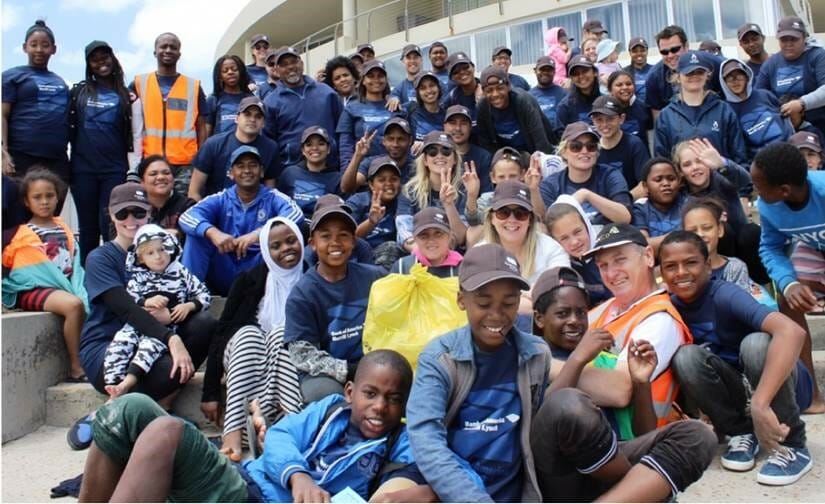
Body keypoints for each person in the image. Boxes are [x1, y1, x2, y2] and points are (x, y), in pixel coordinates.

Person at [78, 351, 434, 502]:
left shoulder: (399, 442)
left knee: (167, 431)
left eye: (393, 399)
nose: (380, 407)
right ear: (350, 392)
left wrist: (429, 493)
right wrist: (299, 476)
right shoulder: (330, 409)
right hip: (242, 480)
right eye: (370, 394)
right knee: (130, 408)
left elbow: (431, 478)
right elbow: (280, 436)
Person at [530, 266, 716, 501]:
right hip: (561, 474)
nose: (575, 321)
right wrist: (577, 359)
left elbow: (643, 434)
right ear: (539, 318)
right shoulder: (531, 356)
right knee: (569, 404)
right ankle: (642, 488)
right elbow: (546, 417)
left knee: (699, 435)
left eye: (581, 313)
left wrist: (641, 382)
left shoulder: (604, 358)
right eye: (563, 313)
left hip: (612, 465)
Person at [660, 231, 814, 485]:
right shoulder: (669, 306)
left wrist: (760, 403)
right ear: (661, 273)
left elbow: (792, 332)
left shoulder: (725, 294)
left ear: (708, 266)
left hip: (780, 380)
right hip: (739, 388)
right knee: (685, 357)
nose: (681, 272)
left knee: (755, 343)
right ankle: (741, 432)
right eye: (670, 266)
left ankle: (793, 444)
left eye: (690, 262)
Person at [406, 243, 552, 502]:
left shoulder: (536, 355)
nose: (496, 315)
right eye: (484, 303)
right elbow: (426, 438)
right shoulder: (440, 359)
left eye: (509, 303)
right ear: (461, 300)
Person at [79, 182, 215, 408]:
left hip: (152, 341)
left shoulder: (163, 255)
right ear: (111, 216)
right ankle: (122, 410)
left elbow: (191, 294)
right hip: (109, 345)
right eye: (123, 213)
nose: (131, 220)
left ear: (150, 214)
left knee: (205, 323)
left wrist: (173, 316)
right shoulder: (100, 258)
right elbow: (127, 309)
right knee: (159, 363)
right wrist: (172, 338)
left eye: (139, 212)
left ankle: (163, 404)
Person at [206, 216, 305, 461]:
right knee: (249, 334)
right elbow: (222, 333)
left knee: (283, 335)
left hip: (288, 360)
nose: (286, 249)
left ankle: (267, 416)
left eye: (291, 241)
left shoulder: (313, 277)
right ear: (265, 250)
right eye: (276, 246)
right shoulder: (248, 280)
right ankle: (234, 434)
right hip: (245, 355)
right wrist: (210, 392)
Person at [585, 223, 693, 425]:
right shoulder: (613, 304)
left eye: (620, 260)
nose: (611, 274)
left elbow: (619, 390)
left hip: (636, 440)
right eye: (603, 265)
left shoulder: (660, 320)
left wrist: (544, 367)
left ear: (649, 257)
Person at [284, 195, 385, 403]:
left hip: (374, 365)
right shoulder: (303, 294)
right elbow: (302, 354)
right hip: (329, 374)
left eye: (343, 235)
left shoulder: (376, 277)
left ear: (354, 241)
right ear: (312, 243)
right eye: (326, 236)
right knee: (325, 396)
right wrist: (349, 370)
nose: (335, 243)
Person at [752, 142, 825, 412]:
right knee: (787, 297)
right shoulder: (769, 206)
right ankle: (812, 396)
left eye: (759, 186)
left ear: (784, 190)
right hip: (815, 248)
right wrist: (790, 282)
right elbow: (770, 247)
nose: (756, 193)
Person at [102, 224, 210, 399]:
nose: (158, 257)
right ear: (141, 258)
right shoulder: (138, 277)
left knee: (149, 348)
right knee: (119, 343)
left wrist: (188, 306)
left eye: (162, 249)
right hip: (136, 326)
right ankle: (113, 386)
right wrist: (146, 301)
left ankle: (127, 383)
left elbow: (204, 294)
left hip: (163, 331)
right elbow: (130, 300)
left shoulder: (181, 273)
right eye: (150, 253)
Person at [180, 145, 303, 296]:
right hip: (224, 267)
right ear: (230, 173)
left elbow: (296, 214)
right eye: (240, 166)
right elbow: (187, 216)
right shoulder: (221, 198)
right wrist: (213, 233)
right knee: (197, 236)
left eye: (253, 165)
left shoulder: (273, 197)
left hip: (260, 270)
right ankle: (190, 296)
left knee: (290, 236)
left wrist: (259, 234)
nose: (247, 170)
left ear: (262, 172)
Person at [2, 169, 88, 382]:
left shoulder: (64, 228)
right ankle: (76, 367)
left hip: (65, 286)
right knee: (74, 305)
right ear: (26, 201)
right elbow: (21, 271)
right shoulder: (19, 235)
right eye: (37, 197)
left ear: (58, 197)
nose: (44, 202)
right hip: (31, 290)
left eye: (49, 196)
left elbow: (75, 264)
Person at [69, 40, 134, 264]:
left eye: (104, 56)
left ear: (112, 58)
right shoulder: (79, 92)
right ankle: (87, 281)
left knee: (111, 226)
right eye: (94, 58)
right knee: (88, 229)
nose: (100, 62)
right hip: (82, 170)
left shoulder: (126, 95)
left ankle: (114, 276)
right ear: (89, 64)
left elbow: (134, 134)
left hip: (114, 171)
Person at [477, 180, 569, 327]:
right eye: (503, 213)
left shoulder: (551, 249)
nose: (512, 219)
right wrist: (535, 298)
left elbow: (563, 296)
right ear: (491, 219)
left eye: (520, 213)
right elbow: (478, 303)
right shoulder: (479, 253)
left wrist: (504, 302)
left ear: (530, 220)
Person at [131, 32, 208, 195]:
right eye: (163, 46)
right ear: (155, 52)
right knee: (150, 212)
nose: (168, 50)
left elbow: (201, 126)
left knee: (183, 211)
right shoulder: (138, 84)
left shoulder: (193, 86)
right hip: (150, 162)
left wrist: (200, 158)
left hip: (185, 165)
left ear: (179, 54)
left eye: (173, 47)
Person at [2, 20, 70, 182]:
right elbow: (2, 115)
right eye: (34, 45)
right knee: (18, 206)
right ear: (25, 47)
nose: (39, 50)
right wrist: (2, 152)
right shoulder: (11, 77)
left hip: (56, 159)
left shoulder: (61, 83)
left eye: (45, 45)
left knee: (51, 206)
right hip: (20, 157)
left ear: (54, 49)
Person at [655, 51, 747, 164]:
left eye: (699, 72)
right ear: (678, 77)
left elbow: (739, 156)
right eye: (689, 73)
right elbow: (662, 161)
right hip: (683, 180)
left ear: (707, 75)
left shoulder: (723, 110)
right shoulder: (666, 116)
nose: (694, 76)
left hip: (721, 178)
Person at [263, 46, 342, 169]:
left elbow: (343, 130)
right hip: (291, 172)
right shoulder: (270, 102)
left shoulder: (327, 92)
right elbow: (268, 142)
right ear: (277, 70)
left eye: (294, 62)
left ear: (302, 63)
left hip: (330, 168)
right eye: (284, 64)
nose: (290, 67)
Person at [538, 121, 632, 225]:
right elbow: (548, 225)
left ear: (597, 152)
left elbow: (625, 217)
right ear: (563, 152)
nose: (584, 151)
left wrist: (586, 195)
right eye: (576, 147)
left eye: (591, 146)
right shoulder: (550, 184)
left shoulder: (610, 175)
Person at [189, 96, 279, 201]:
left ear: (263, 123)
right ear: (236, 118)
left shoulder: (271, 148)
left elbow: (270, 193)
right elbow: (194, 192)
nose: (252, 119)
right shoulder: (213, 145)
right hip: (216, 210)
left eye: (258, 116)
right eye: (247, 114)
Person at [396, 131, 467, 248]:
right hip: (417, 250)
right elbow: (404, 231)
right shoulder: (409, 190)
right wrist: (426, 252)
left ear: (454, 159)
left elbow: (460, 238)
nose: (439, 156)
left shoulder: (463, 190)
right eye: (432, 152)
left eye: (446, 151)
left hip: (451, 252)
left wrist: (449, 204)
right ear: (425, 160)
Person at [756, 16, 825, 135]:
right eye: (784, 40)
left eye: (794, 39)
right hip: (785, 129)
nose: (789, 44)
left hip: (820, 126)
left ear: (804, 38)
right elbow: (758, 99)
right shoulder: (770, 64)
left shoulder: (818, 56)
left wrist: (801, 103)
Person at [719, 58, 793, 163]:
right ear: (724, 82)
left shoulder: (765, 95)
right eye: (730, 78)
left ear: (747, 77)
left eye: (739, 76)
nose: (735, 81)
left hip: (789, 150)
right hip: (763, 161)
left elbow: (785, 119)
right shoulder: (727, 110)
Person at [646, 25, 722, 120]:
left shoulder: (712, 63)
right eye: (664, 52)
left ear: (686, 46)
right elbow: (658, 118)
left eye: (675, 50)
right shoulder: (654, 77)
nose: (670, 55)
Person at [336, 59, 402, 171]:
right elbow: (345, 146)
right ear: (363, 80)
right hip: (361, 171)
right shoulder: (351, 108)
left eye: (380, 76)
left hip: (392, 171)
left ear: (386, 80)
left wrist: (395, 97)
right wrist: (347, 173)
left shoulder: (395, 106)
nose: (376, 79)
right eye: (371, 76)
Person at [544, 195, 610, 306]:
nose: (574, 242)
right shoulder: (560, 268)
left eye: (577, 232)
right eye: (564, 238)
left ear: (586, 225)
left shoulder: (608, 249)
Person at [476, 66, 554, 155]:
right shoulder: (482, 107)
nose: (495, 94)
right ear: (483, 91)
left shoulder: (523, 101)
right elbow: (485, 143)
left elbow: (541, 141)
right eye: (489, 90)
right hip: (506, 157)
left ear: (508, 86)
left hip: (532, 152)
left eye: (500, 88)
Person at [682, 197, 752, 293]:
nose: (700, 234)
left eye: (707, 228)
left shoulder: (735, 268)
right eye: (692, 231)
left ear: (720, 230)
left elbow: (743, 305)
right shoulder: (680, 271)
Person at [589, 95, 649, 198]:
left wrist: (621, 202)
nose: (604, 125)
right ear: (593, 121)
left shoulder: (634, 144)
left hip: (631, 203)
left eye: (610, 119)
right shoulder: (591, 148)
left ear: (621, 119)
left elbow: (644, 184)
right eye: (599, 120)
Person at [278, 125, 343, 219]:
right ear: (303, 150)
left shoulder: (337, 178)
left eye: (321, 144)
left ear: (328, 149)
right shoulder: (289, 173)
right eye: (309, 145)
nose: (315, 148)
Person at [341, 116, 414, 192]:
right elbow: (346, 188)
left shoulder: (416, 165)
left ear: (410, 141)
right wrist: (358, 155)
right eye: (390, 139)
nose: (395, 144)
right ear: (383, 141)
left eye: (401, 139)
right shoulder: (372, 163)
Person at [631, 157, 686, 253]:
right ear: (645, 186)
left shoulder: (690, 204)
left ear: (679, 182)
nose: (666, 183)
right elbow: (643, 246)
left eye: (671, 179)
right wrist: (682, 236)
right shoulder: (639, 210)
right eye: (658, 179)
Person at [347, 156, 402, 249]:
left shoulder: (402, 203)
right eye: (381, 180)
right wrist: (370, 222)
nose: (388, 184)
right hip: (358, 253)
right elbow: (346, 238)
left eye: (394, 179)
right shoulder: (358, 201)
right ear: (371, 184)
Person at [137, 155, 193, 245]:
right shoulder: (135, 206)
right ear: (142, 182)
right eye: (153, 174)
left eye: (166, 173)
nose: (161, 177)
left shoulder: (188, 206)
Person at [390, 207, 462, 277]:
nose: (431, 240)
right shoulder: (402, 267)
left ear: (449, 236)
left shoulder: (463, 268)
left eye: (438, 234)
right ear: (415, 239)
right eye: (424, 235)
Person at [443, 105, 492, 192]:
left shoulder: (483, 157)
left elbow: (487, 195)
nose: (458, 128)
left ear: (470, 127)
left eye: (463, 123)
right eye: (453, 123)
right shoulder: (436, 156)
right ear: (444, 126)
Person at [206, 55, 253, 136]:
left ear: (241, 72)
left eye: (234, 69)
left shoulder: (251, 99)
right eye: (225, 70)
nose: (230, 72)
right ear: (220, 76)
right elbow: (207, 129)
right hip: (220, 147)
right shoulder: (213, 100)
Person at [607, 69, 653, 151]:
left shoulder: (643, 107)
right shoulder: (604, 111)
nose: (625, 87)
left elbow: (650, 136)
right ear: (610, 89)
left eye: (628, 84)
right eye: (619, 85)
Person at [555, 55, 601, 132]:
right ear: (571, 78)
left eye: (585, 71)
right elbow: (560, 135)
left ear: (595, 72)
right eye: (576, 74)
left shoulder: (605, 100)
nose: (581, 76)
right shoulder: (565, 106)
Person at [407, 71, 446, 142]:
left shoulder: (447, 115)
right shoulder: (411, 113)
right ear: (418, 93)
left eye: (432, 85)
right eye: (423, 88)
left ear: (438, 88)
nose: (428, 90)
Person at [529, 56, 567, 127]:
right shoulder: (529, 96)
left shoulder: (564, 94)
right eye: (542, 69)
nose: (545, 72)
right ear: (535, 71)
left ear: (554, 72)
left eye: (549, 70)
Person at [623, 36, 652, 104]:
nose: (639, 54)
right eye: (635, 51)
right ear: (630, 52)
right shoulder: (624, 72)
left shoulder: (655, 71)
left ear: (647, 51)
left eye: (642, 50)